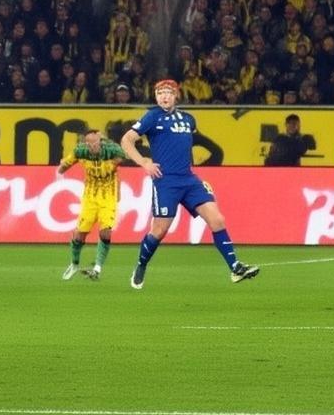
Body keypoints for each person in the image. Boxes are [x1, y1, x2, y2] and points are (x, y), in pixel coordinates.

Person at [119, 78, 260, 289]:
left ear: (176, 95)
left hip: (188, 179)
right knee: (159, 230)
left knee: (217, 220)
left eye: (168, 92)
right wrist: (144, 162)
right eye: (160, 93)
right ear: (156, 97)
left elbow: (186, 146)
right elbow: (126, 140)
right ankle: (141, 264)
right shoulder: (152, 116)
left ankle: (235, 268)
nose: (164, 97)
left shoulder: (188, 120)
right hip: (165, 180)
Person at [56, 128, 125, 280]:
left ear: (100, 141)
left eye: (94, 142)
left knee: (105, 232)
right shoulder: (80, 151)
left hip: (108, 196)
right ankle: (74, 264)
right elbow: (65, 164)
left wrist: (118, 188)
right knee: (80, 234)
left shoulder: (111, 150)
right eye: (88, 143)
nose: (91, 146)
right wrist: (60, 171)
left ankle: (97, 268)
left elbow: (121, 158)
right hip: (90, 197)